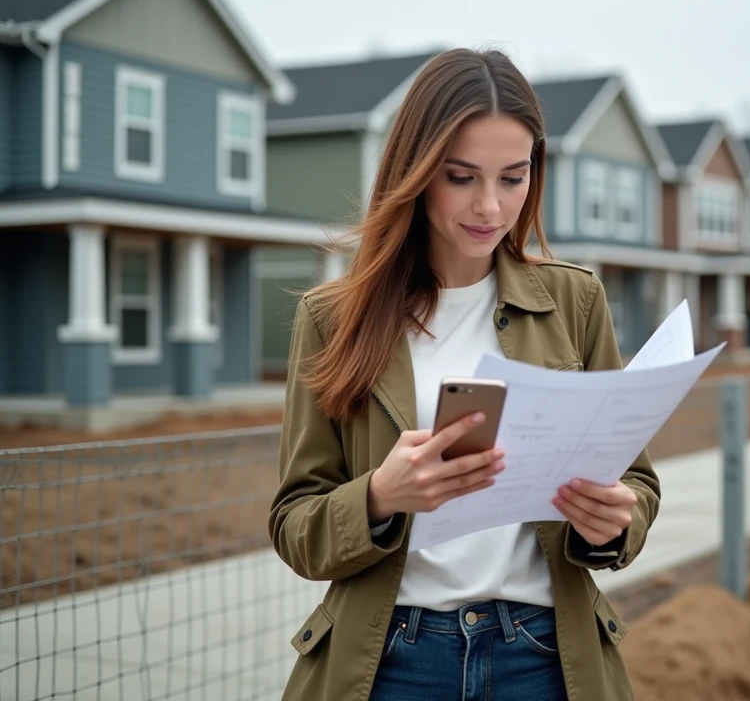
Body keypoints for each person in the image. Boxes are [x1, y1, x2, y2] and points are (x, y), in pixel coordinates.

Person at [268, 48, 659, 701]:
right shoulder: (331, 319)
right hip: (392, 659)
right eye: (461, 177)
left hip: (542, 655)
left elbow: (636, 482)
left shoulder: (576, 304)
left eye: (513, 178)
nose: (490, 206)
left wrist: (616, 522)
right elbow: (294, 525)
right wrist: (379, 497)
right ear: (416, 171)